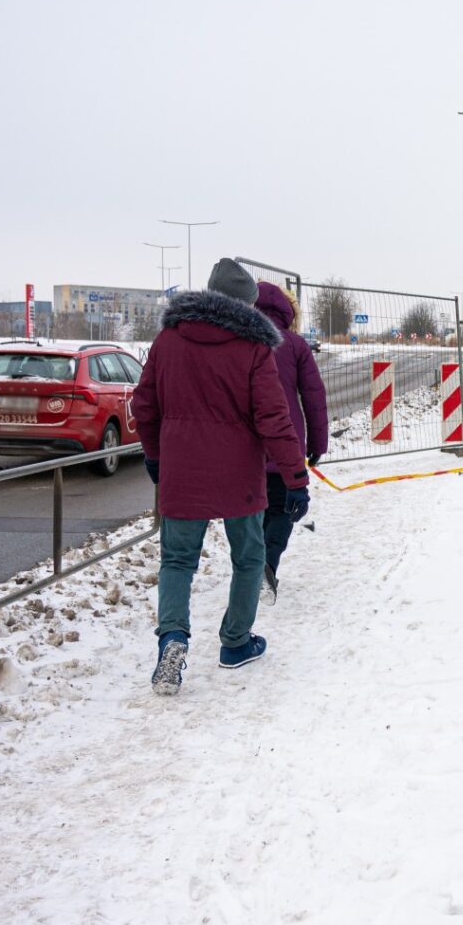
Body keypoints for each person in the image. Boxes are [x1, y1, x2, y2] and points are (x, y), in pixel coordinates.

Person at [132, 258, 311, 696]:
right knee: (249, 557)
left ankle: (172, 638)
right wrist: (295, 478)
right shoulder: (253, 348)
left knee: (177, 560)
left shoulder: (168, 340)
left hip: (181, 471)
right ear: (247, 304)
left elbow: (144, 405)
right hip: (239, 475)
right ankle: (235, 641)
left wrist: (155, 456)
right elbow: (274, 418)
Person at [252, 281, 329, 604]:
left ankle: (252, 565)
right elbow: (314, 397)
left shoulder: (240, 340)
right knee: (283, 509)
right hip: (286, 442)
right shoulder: (296, 345)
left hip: (246, 446)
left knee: (252, 510)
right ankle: (267, 565)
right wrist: (317, 443)